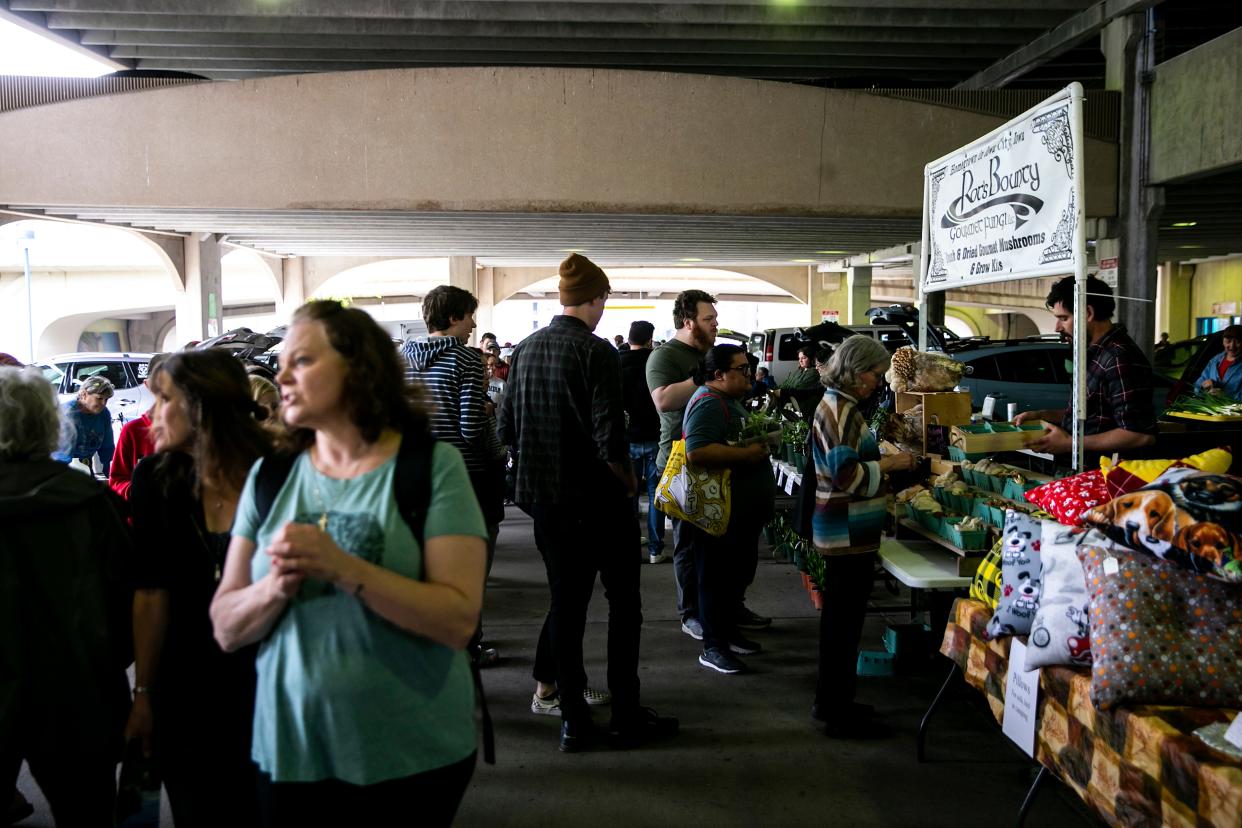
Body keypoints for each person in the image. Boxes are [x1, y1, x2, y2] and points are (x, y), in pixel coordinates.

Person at [211, 301, 487, 826]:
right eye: (283, 362)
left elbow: (457, 621)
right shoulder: (270, 477)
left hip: (411, 750)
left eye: (303, 361)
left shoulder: (429, 468)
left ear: (359, 370)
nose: (282, 374)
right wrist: (275, 587)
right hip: (290, 749)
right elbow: (226, 627)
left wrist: (344, 567)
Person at [501, 253, 677, 753]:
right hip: (598, 503)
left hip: (545, 504)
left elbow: (505, 428)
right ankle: (625, 713)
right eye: (603, 300)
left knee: (566, 606)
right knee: (624, 607)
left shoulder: (526, 351)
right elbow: (608, 435)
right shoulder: (595, 350)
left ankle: (573, 721)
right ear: (596, 299)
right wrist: (627, 484)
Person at [125, 350, 273, 827]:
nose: (150, 414)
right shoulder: (154, 479)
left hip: (269, 677)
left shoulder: (277, 473)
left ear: (200, 405)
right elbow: (150, 592)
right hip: (184, 683)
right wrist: (143, 693)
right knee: (198, 810)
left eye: (163, 398)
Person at [0, 366, 134, 826]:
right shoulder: (92, 503)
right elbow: (127, 601)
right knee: (87, 813)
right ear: (52, 423)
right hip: (78, 691)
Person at [810, 337, 917, 738]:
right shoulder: (841, 412)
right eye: (875, 373)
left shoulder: (841, 405)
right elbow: (847, 476)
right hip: (846, 531)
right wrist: (891, 463)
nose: (878, 381)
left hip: (847, 530)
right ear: (856, 373)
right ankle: (835, 712)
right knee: (841, 626)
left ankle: (837, 702)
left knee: (843, 624)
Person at [403, 285, 505, 664]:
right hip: (466, 476)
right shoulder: (465, 360)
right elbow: (470, 428)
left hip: (416, 477)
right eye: (468, 317)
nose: (473, 325)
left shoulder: (400, 361)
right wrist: (497, 444)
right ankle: (467, 643)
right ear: (452, 318)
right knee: (471, 562)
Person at [682, 345, 775, 674]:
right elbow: (697, 451)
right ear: (719, 375)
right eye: (743, 369)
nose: (749, 374)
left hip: (738, 512)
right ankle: (713, 646)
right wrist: (747, 455)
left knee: (732, 576)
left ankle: (728, 634)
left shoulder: (726, 401)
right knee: (715, 579)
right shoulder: (708, 403)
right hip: (719, 513)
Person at [1014, 276, 1157, 455]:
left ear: (1088, 313)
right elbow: (1092, 416)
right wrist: (1044, 415)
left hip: (1104, 475)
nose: (1057, 327)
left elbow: (1139, 435)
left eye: (1063, 318)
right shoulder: (1093, 352)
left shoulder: (1119, 357)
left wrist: (1071, 443)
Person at [620, 320, 666, 564]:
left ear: (629, 338)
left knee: (630, 494)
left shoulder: (618, 362)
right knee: (656, 495)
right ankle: (655, 551)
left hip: (628, 439)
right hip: (656, 437)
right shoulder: (657, 362)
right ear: (650, 339)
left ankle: (630, 548)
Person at [109, 352, 170, 499]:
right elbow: (117, 480)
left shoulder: (197, 430)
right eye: (161, 381)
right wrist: (136, 489)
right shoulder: (132, 431)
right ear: (148, 385)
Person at [52, 374, 115, 475]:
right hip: (62, 464)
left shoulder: (104, 413)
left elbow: (107, 447)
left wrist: (111, 474)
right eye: (99, 398)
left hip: (85, 462)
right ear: (84, 394)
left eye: (106, 399)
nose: (103, 403)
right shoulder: (68, 414)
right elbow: (62, 455)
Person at [1196, 324, 1242, 398]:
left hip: (1234, 409)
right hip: (1210, 406)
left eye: (1237, 342)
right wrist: (1203, 385)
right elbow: (1199, 382)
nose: (1232, 346)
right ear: (1223, 342)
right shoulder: (1215, 360)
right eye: (1228, 341)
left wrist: (1226, 396)